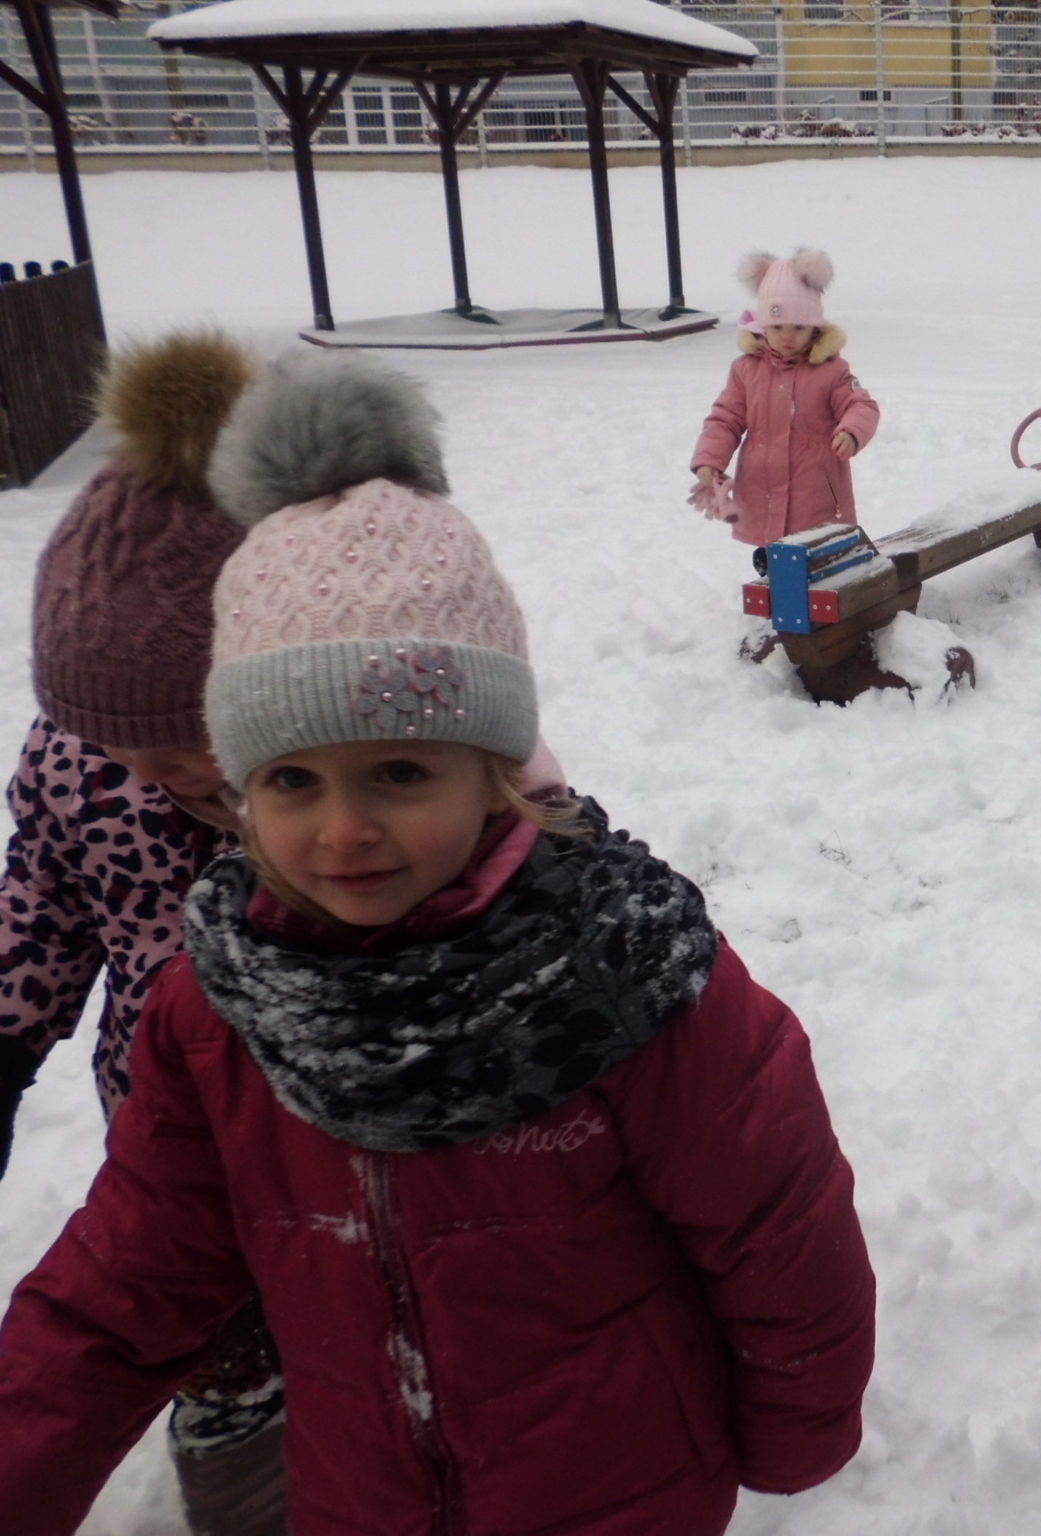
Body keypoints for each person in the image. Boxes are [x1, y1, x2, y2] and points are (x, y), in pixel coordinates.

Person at [0, 352, 877, 1536]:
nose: (343, 830)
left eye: (400, 772)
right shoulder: (218, 1018)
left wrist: (795, 1428)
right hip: (363, 1498)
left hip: (617, 1494)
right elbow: (120, 1287)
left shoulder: (622, 978)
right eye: (293, 781)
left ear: (493, 768)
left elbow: (775, 1224)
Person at [0, 328, 303, 1536]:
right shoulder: (81, 760)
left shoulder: (341, 793)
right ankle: (242, 1453)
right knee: (218, 1348)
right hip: (168, 1132)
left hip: (333, 1126)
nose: (148, 768)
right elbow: (38, 907)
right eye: (114, 739)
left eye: (187, 742)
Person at [691, 247, 880, 547]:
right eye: (778, 327)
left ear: (815, 328)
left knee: (816, 555)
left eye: (799, 327)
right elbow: (725, 419)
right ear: (763, 325)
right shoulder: (746, 370)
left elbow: (861, 405)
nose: (788, 336)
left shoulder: (831, 370)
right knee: (773, 557)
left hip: (816, 495)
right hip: (761, 491)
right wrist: (709, 458)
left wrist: (851, 431)